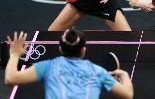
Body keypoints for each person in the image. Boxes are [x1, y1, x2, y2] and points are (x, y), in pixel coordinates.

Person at [5, 29, 134, 99]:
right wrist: (124, 75)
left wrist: (15, 54)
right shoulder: (98, 72)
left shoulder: (47, 67)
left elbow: (10, 79)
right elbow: (128, 95)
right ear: (83, 49)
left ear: (60, 48)